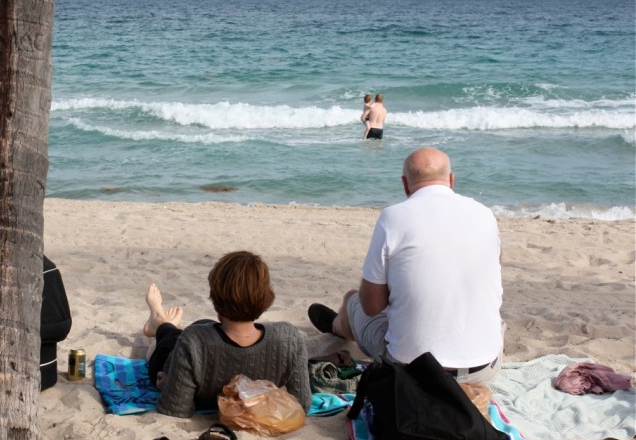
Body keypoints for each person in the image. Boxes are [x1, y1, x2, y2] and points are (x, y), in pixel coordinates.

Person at [308, 147, 503, 383]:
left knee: (353, 301)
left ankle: (337, 327)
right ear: (451, 180)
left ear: (404, 184)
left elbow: (372, 306)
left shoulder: (393, 217)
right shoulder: (484, 214)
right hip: (484, 369)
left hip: (413, 372)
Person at [141, 251, 312, 418]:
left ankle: (160, 324)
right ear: (266, 296)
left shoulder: (193, 341)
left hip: (180, 354)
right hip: (207, 340)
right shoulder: (289, 339)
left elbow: (176, 408)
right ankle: (162, 323)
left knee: (173, 337)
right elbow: (302, 404)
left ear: (215, 298)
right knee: (203, 326)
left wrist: (169, 385)